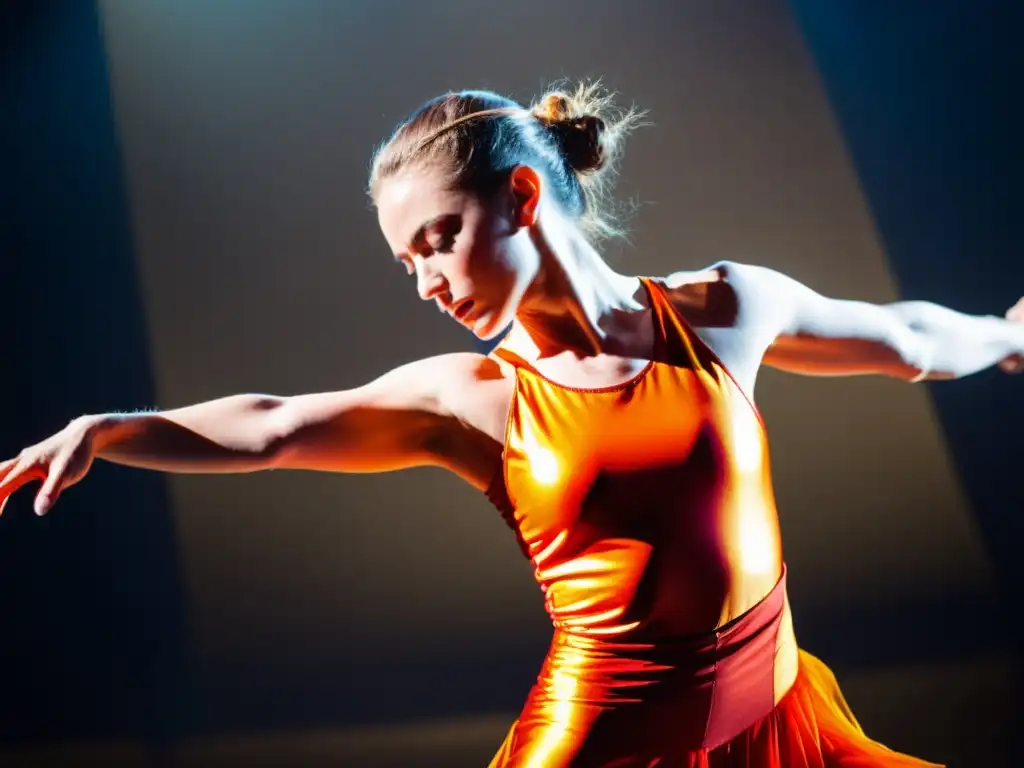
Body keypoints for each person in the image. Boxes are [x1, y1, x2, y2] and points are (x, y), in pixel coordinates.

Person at [1, 81, 1020, 767]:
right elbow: (274, 426)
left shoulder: (718, 310)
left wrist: (1007, 336)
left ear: (523, 195)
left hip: (776, 717)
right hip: (604, 745)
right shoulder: (471, 400)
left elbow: (906, 338)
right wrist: (108, 429)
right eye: (408, 265)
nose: (428, 285)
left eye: (435, 242)